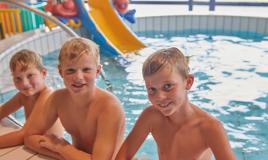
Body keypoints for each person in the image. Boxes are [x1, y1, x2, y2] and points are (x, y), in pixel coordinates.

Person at [116, 47, 236, 160]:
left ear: (188, 82)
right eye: (152, 89)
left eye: (168, 86)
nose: (160, 97)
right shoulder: (151, 116)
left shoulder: (210, 128)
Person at [24, 37, 125, 160]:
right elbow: (29, 137)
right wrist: (63, 153)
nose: (78, 77)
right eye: (71, 70)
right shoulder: (58, 99)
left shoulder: (109, 107)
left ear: (97, 71)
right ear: (61, 72)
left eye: (86, 69)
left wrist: (62, 148)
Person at [0, 49, 64, 148]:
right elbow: (2, 111)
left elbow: (24, 135)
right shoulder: (23, 96)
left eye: (30, 75)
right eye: (18, 78)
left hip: (53, 151)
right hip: (37, 148)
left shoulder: (48, 97)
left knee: (29, 139)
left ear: (43, 73)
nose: (24, 83)